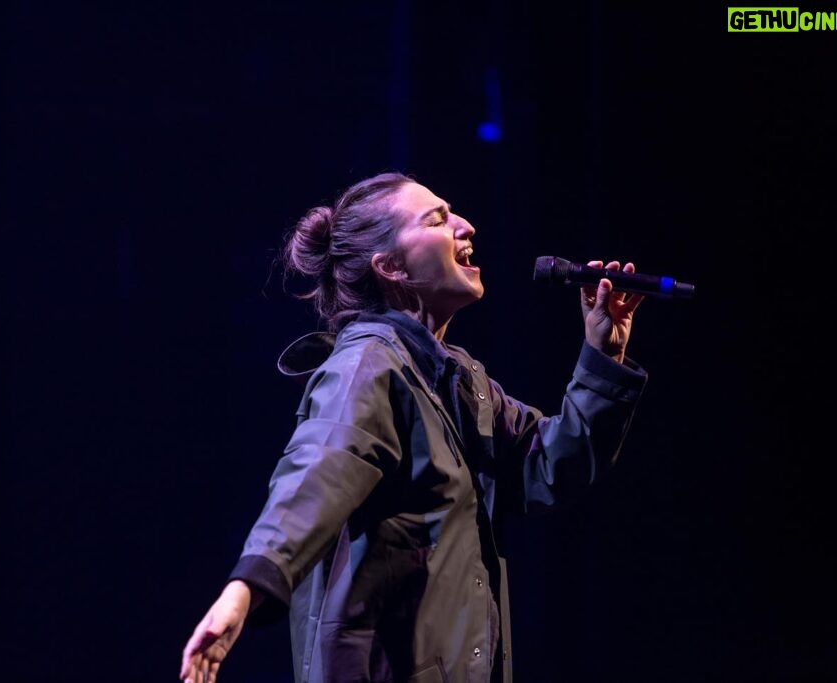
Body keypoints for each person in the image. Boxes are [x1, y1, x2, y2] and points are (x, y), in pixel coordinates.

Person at [179, 171, 648, 683]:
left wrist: (604, 354)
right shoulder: (368, 367)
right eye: (438, 219)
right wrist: (245, 588)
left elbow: (551, 466)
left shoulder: (460, 380)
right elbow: (315, 475)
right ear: (391, 266)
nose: (465, 226)